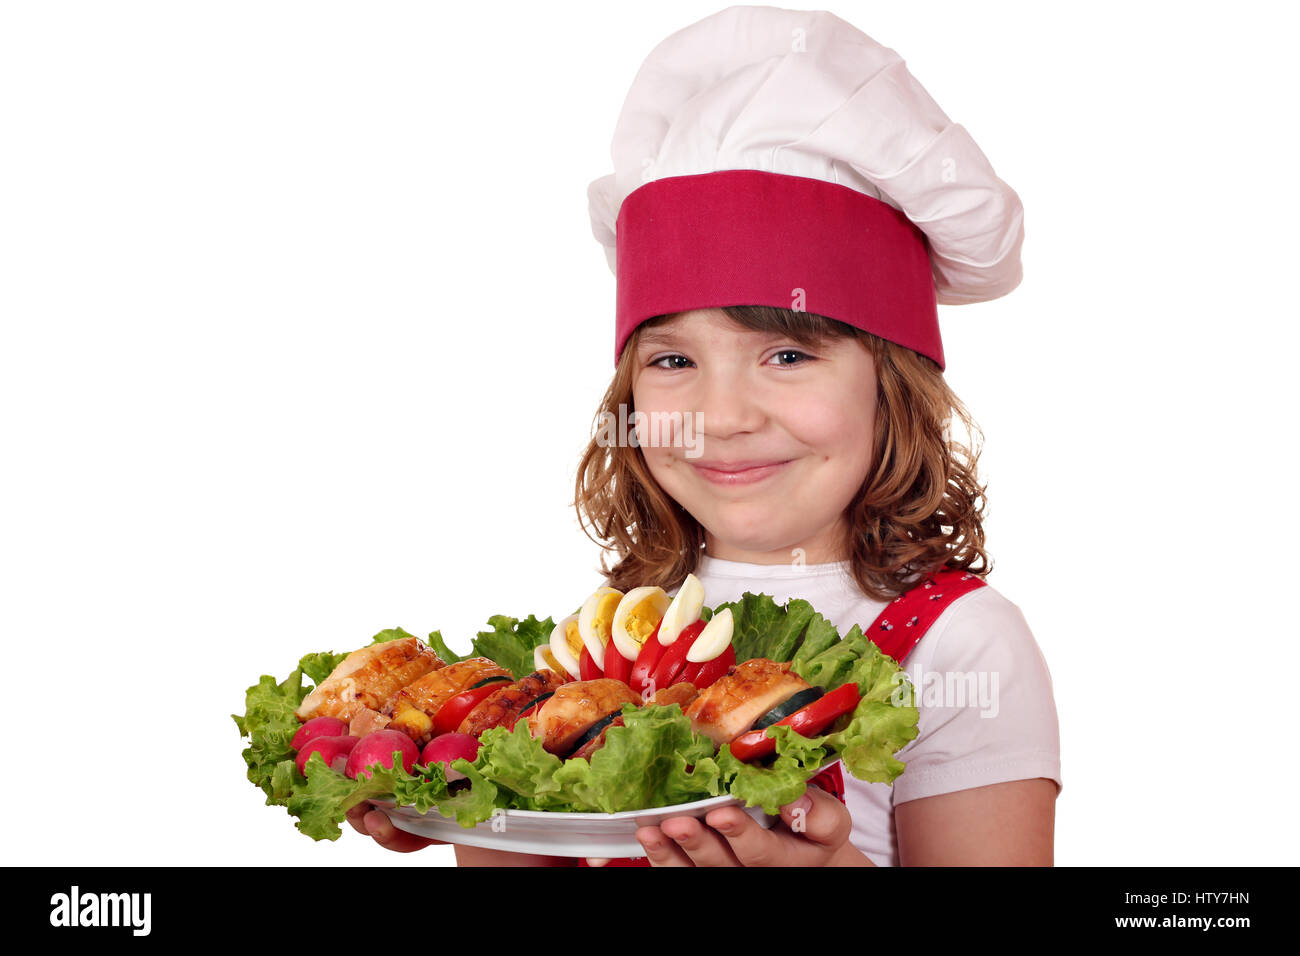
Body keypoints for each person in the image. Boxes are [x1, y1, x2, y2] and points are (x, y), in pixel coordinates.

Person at [350, 5, 1061, 866]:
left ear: (893, 387)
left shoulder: (958, 643)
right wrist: (478, 817)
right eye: (675, 361)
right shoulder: (606, 638)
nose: (721, 418)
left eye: (789, 353)